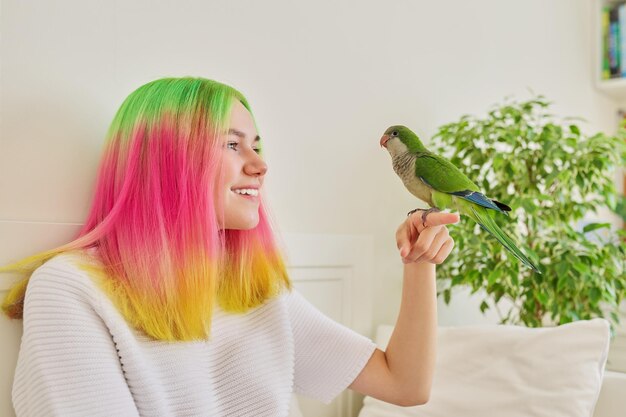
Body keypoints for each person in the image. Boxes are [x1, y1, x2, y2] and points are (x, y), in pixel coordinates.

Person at [1, 77, 459, 416]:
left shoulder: (253, 290)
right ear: (169, 160)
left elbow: (404, 384)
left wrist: (419, 265)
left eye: (256, 145)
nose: (260, 165)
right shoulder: (71, 290)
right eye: (232, 145)